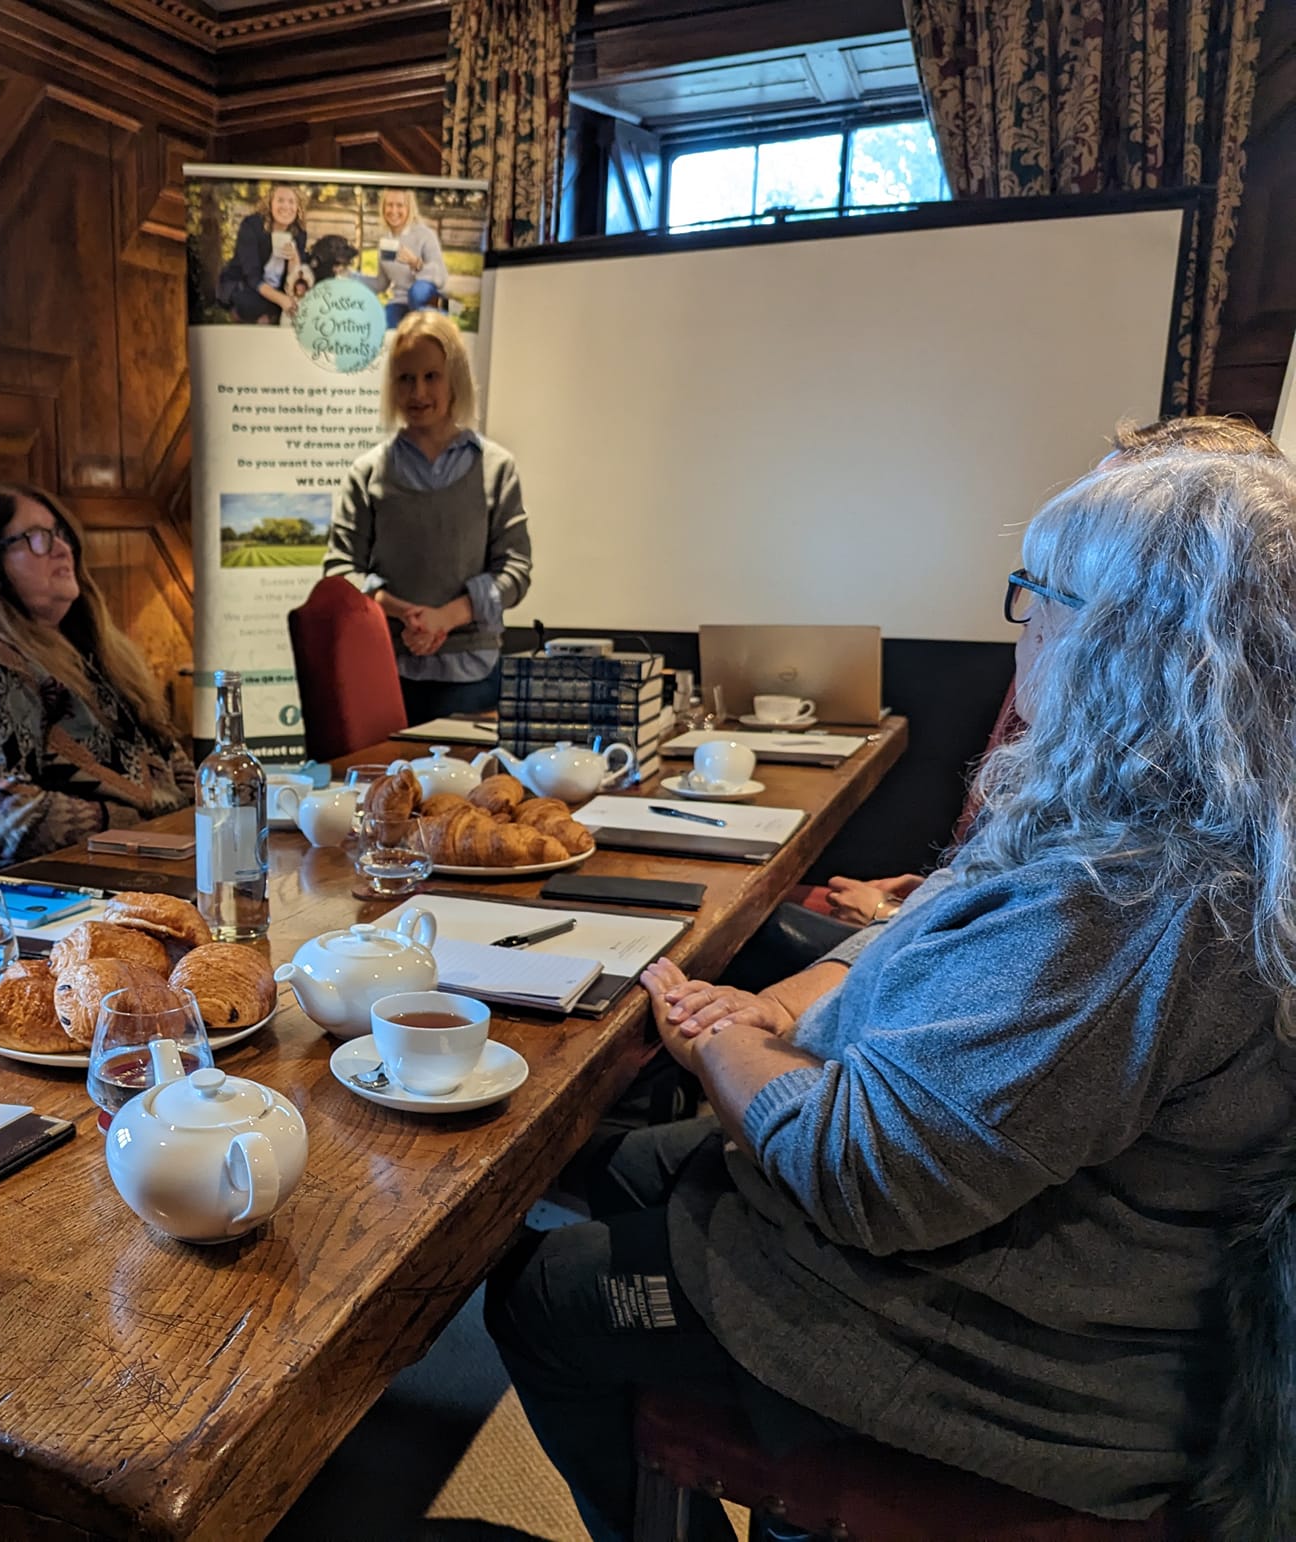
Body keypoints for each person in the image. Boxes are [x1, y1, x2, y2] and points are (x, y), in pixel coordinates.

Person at [484, 446, 1296, 1538]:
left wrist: (721, 1044)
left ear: (1123, 644)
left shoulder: (1137, 906)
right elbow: (938, 918)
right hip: (1035, 1252)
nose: (1021, 630)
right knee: (634, 1166)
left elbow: (859, 1174)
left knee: (539, 1294)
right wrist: (777, 1014)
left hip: (1035, 1365)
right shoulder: (1171, 809)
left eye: (1036, 597)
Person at [816, 414, 1285, 929]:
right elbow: (985, 873)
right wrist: (933, 900)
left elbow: (1025, 934)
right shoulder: (1069, 702)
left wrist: (892, 920)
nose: (1039, 606)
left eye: (1103, 518)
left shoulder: (1151, 847)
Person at [0, 484, 193, 878]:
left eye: (60, 534)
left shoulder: (92, 647)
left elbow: (170, 759)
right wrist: (141, 821)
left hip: (141, 860)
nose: (62, 548)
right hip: (31, 889)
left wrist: (199, 813)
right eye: (36, 537)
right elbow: (9, 817)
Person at [324, 310, 532, 723]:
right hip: (384, 672)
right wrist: (402, 612)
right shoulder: (366, 473)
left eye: (431, 376)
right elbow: (339, 572)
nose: (417, 391)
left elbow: (515, 571)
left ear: (455, 379)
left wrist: (447, 617)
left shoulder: (496, 468)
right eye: (405, 378)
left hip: (474, 677)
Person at [217, 183, 308, 325]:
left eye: (291, 202)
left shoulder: (299, 233)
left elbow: (294, 280)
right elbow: (252, 277)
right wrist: (281, 300)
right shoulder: (252, 226)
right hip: (245, 285)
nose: (286, 207)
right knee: (249, 303)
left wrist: (294, 257)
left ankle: (266, 316)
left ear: (298, 208)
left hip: (277, 290)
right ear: (270, 203)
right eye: (280, 200)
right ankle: (258, 316)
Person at [365, 186, 447, 328]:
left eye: (400, 205)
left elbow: (441, 277)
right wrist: (349, 276)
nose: (394, 211)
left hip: (424, 296)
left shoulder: (424, 235)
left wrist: (416, 263)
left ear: (409, 208)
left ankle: (433, 324)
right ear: (383, 208)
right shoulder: (385, 241)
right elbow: (381, 283)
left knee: (417, 292)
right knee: (383, 328)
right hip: (400, 301)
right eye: (389, 205)